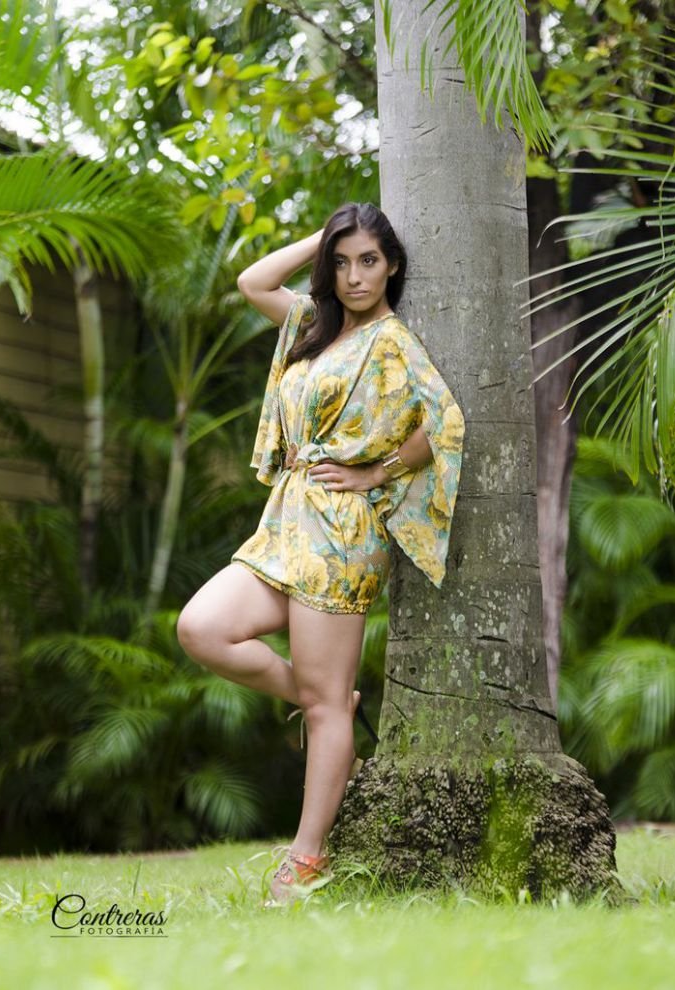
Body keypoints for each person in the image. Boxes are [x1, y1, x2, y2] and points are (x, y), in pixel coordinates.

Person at [176, 202, 465, 906]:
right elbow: (252, 281)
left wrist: (374, 473)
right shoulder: (314, 328)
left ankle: (305, 861)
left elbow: (446, 422)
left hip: (342, 534)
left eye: (368, 260)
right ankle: (328, 703)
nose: (354, 276)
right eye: (341, 262)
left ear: (392, 266)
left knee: (324, 704)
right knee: (201, 628)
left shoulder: (393, 342)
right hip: (285, 523)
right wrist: (326, 233)